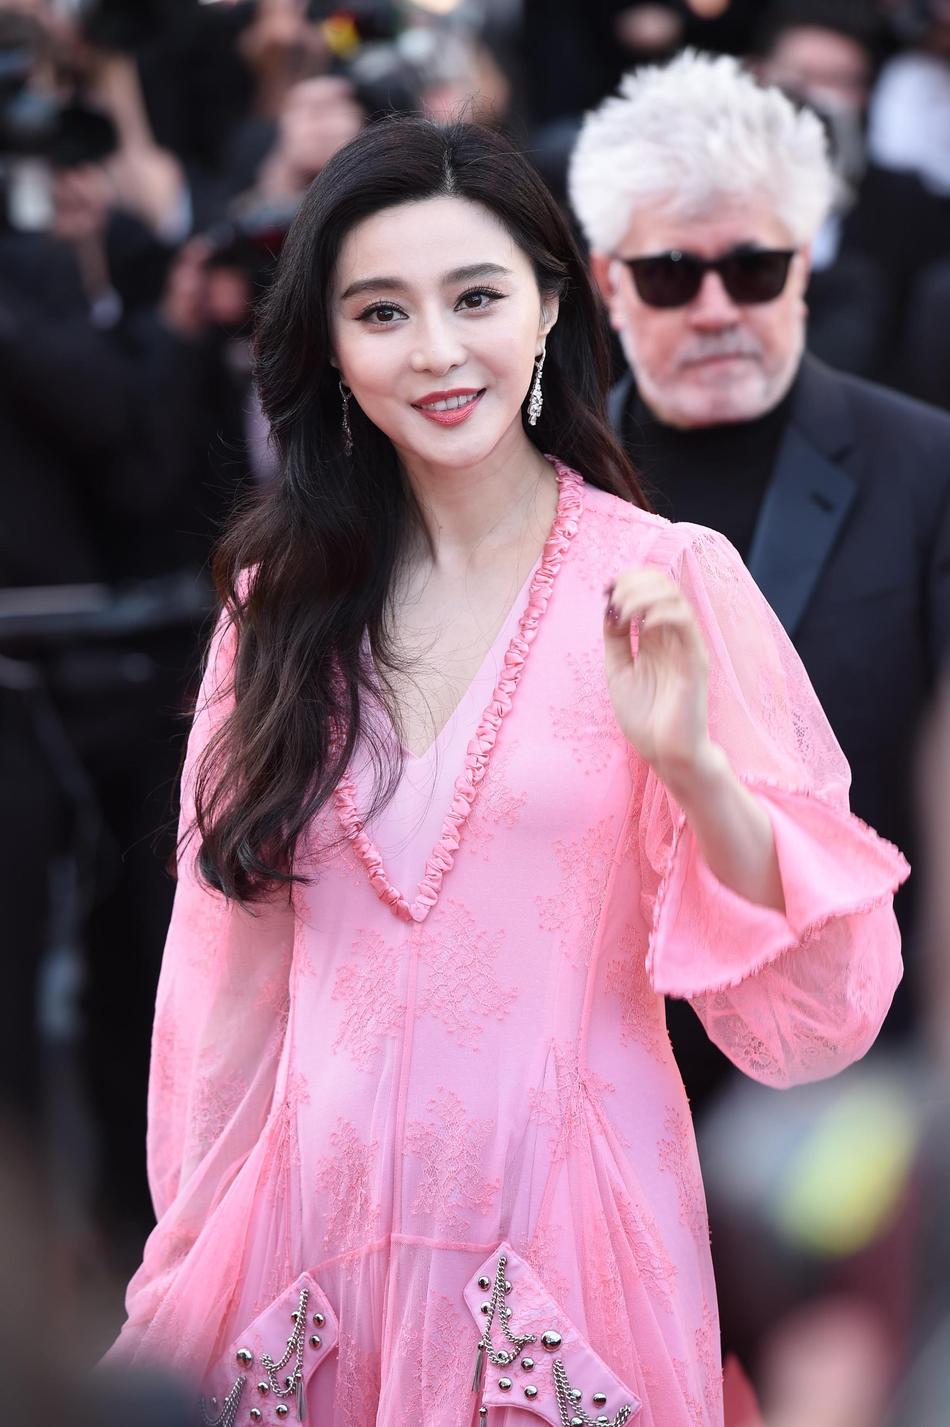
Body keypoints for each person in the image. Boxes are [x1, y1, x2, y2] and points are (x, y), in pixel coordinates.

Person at [104, 116, 907, 1427]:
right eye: (382, 310)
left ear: (549, 307)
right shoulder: (278, 604)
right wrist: (181, 1249)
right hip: (306, 1244)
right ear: (328, 346)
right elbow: (221, 987)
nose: (434, 349)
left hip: (565, 1251)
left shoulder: (663, 578)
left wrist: (694, 769)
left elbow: (818, 1006)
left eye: (474, 297)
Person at [569, 51, 950, 1049]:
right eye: (669, 274)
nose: (714, 309)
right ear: (609, 281)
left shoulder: (927, 468)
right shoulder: (551, 491)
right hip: (613, 1043)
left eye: (752, 269)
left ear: (803, 265)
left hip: (864, 1036)